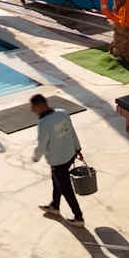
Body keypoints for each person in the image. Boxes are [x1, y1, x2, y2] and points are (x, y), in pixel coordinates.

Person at [32, 93, 84, 224]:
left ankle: (78, 217)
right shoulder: (62, 113)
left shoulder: (44, 123)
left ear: (40, 106)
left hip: (58, 161)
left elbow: (42, 144)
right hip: (70, 155)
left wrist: (36, 157)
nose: (32, 110)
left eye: (34, 107)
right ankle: (55, 206)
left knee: (66, 189)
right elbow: (72, 131)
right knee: (56, 181)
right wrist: (78, 148)